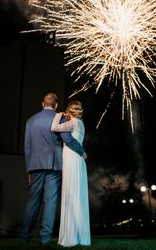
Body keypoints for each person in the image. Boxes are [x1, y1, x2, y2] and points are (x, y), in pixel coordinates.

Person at [20, 93, 87, 246]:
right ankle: (45, 239)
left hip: (35, 165)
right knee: (50, 201)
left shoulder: (30, 121)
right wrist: (81, 151)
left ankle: (24, 237)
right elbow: (67, 139)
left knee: (32, 201)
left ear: (42, 104)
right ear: (56, 106)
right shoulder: (60, 118)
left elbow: (27, 147)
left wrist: (29, 169)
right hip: (54, 164)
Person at [51, 100, 91, 247]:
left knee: (71, 193)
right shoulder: (80, 124)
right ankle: (80, 235)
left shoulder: (73, 123)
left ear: (69, 111)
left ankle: (71, 236)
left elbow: (54, 127)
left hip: (71, 158)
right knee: (77, 195)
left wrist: (59, 114)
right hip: (78, 159)